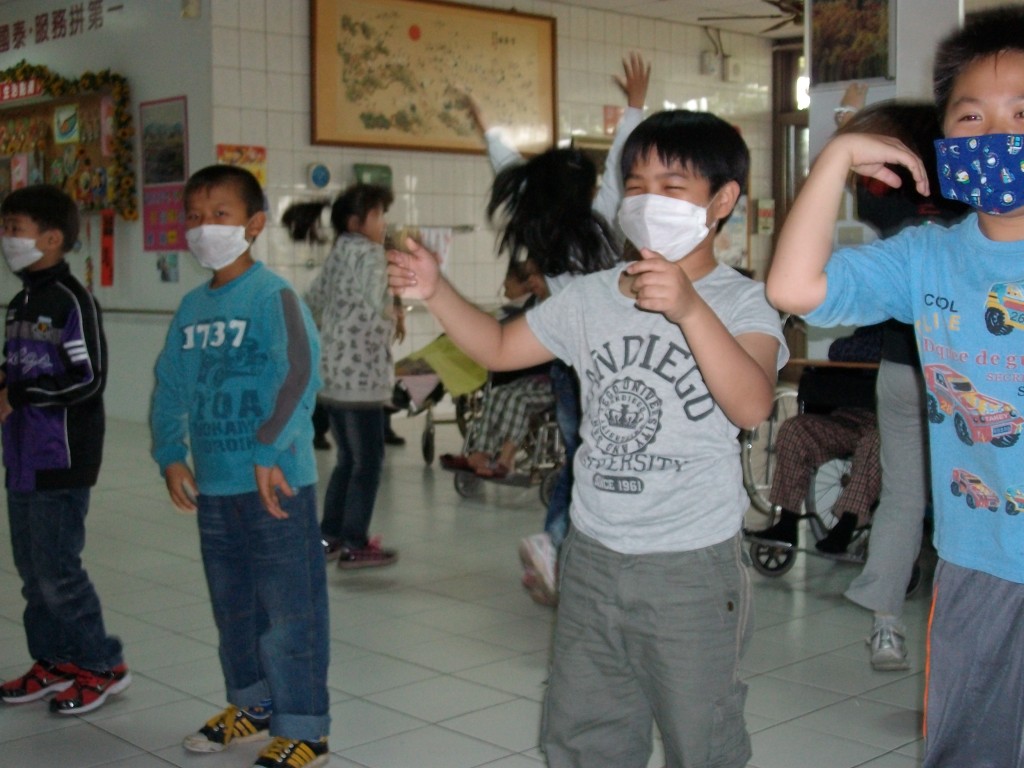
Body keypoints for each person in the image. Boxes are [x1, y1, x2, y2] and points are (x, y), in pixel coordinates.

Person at [390, 109, 787, 768]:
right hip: (594, 555)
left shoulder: (744, 302)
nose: (647, 201)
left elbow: (750, 405)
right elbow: (498, 347)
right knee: (584, 731)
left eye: (672, 186)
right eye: (635, 185)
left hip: (690, 566)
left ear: (722, 202)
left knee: (702, 737)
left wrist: (689, 309)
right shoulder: (593, 296)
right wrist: (436, 290)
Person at [766, 8, 1024, 765]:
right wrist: (838, 153)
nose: (996, 135)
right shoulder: (926, 258)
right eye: (972, 117)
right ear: (942, 142)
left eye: (1022, 114)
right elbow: (793, 286)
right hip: (980, 559)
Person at [150, 165, 330, 767]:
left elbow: (300, 373)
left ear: (253, 224)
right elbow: (170, 385)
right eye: (194, 217)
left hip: (277, 483)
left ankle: (305, 727)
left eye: (219, 215)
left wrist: (268, 450)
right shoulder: (191, 308)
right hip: (217, 488)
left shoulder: (272, 295)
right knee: (233, 609)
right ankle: (253, 707)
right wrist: (170, 454)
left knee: (290, 611)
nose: (204, 227)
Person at [469, 52, 650, 604]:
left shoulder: (539, 226)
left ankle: (569, 548)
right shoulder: (600, 221)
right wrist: (635, 106)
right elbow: (620, 162)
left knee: (582, 455)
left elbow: (509, 169)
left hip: (565, 362)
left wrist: (488, 128)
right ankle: (556, 542)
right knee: (597, 460)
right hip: (607, 361)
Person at [834, 99, 968, 671]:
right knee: (983, 494)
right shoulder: (971, 201)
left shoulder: (892, 203)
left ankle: (886, 627)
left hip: (899, 368)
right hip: (962, 370)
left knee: (903, 497)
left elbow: (852, 180)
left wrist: (847, 127)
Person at [0, 185, 130, 715]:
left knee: (58, 571)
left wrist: (21, 394)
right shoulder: (20, 302)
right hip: (22, 455)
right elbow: (17, 366)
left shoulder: (72, 299)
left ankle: (101, 664)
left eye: (15, 229)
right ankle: (53, 661)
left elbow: (89, 378)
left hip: (63, 456)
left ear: (51, 239)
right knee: (32, 571)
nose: (7, 239)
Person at [305, 183, 398, 568]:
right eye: (378, 215)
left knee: (347, 459)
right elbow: (380, 299)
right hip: (360, 378)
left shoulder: (339, 253)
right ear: (355, 222)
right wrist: (396, 307)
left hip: (333, 373)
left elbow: (311, 301)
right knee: (368, 463)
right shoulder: (370, 254)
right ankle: (355, 543)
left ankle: (329, 536)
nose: (383, 222)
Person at [441, 258, 552, 477]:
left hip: (554, 381)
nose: (532, 282)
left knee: (517, 400)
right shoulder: (533, 304)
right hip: (533, 377)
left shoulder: (557, 306)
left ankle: (506, 459)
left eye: (536, 277)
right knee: (497, 394)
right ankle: (480, 453)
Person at [746, 405, 880, 553]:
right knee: (793, 429)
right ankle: (787, 524)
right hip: (847, 416)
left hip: (885, 424)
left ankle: (846, 526)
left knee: (874, 442)